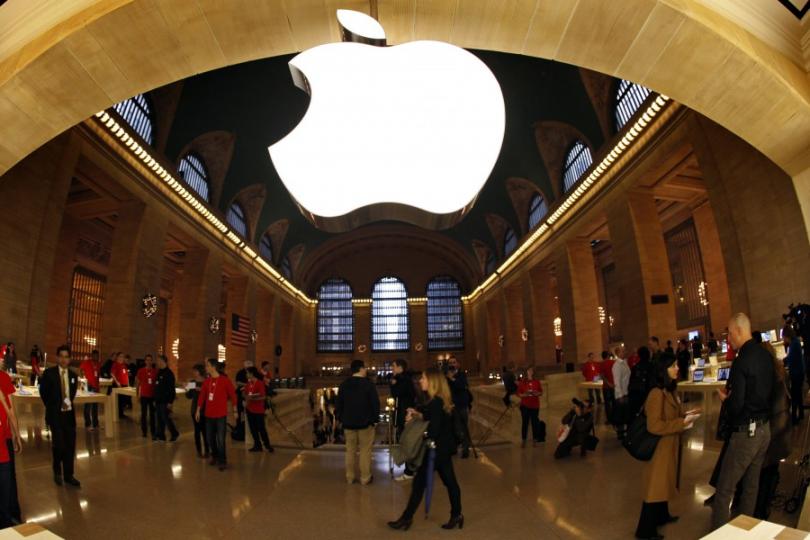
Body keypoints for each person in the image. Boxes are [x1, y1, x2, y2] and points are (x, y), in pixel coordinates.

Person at [711, 313, 775, 530]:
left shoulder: (741, 361)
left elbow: (737, 404)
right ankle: (745, 531)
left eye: (729, 333)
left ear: (738, 331)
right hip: (764, 429)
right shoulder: (766, 356)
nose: (728, 338)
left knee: (724, 489)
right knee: (751, 486)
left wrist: (725, 401)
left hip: (746, 432)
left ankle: (718, 533)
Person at [388, 368, 463, 531]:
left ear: (432, 382)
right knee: (449, 483)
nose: (420, 381)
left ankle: (406, 518)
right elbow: (430, 415)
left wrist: (417, 434)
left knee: (422, 485)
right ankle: (456, 515)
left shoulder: (436, 402)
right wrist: (417, 413)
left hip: (436, 450)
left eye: (423, 378)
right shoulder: (438, 400)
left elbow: (433, 430)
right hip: (442, 449)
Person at [635, 352, 699, 540]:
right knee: (654, 488)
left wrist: (688, 415)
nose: (677, 368)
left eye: (677, 365)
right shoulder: (656, 393)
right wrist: (681, 423)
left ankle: (662, 515)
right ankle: (645, 531)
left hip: (669, 446)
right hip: (659, 449)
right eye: (673, 366)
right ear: (663, 370)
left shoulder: (670, 390)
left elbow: (675, 414)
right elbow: (653, 425)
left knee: (663, 484)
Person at [754, 342, 790, 519]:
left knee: (764, 475)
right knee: (771, 473)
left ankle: (760, 511)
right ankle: (763, 508)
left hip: (771, 435)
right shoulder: (779, 375)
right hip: (778, 435)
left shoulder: (770, 379)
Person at [39, 345, 81, 487]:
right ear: (57, 358)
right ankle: (57, 471)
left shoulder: (74, 376)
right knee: (59, 445)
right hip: (55, 416)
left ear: (70, 359)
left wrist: (66, 405)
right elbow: (43, 393)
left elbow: (72, 394)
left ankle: (69, 475)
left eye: (66, 357)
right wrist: (52, 407)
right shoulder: (49, 373)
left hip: (69, 416)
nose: (64, 359)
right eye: (61, 356)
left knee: (70, 446)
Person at [335, 360, 379, 485]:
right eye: (365, 368)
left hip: (348, 423)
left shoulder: (344, 384)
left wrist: (341, 418)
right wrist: (374, 420)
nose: (366, 370)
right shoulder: (368, 385)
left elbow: (339, 404)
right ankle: (365, 478)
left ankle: (350, 477)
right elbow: (375, 404)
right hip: (365, 424)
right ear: (360, 369)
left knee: (350, 450)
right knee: (365, 451)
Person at [196, 359, 237, 471]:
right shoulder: (206, 381)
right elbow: (202, 396)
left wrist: (235, 410)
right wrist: (198, 409)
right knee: (209, 438)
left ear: (213, 367)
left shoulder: (225, 380)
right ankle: (215, 456)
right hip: (208, 415)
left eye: (208, 366)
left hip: (220, 416)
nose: (206, 368)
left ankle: (222, 461)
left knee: (220, 439)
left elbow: (233, 395)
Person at [0, 364, 22, 523]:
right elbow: (11, 411)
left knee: (8, 479)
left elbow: (10, 410)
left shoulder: (3, 377)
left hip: (4, 436)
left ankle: (11, 513)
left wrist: (15, 434)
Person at [390, 359, 416, 481]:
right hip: (404, 413)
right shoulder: (406, 379)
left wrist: (394, 383)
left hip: (404, 415)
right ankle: (410, 469)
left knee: (406, 443)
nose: (392, 368)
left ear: (400, 368)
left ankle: (409, 471)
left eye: (394, 366)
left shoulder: (403, 380)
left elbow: (395, 393)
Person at [446, 356, 472, 458]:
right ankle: (454, 448)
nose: (452, 364)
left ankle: (465, 449)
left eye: (454, 362)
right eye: (450, 363)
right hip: (451, 405)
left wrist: (452, 378)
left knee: (463, 428)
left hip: (461, 405)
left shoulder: (461, 375)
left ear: (458, 364)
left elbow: (462, 386)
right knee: (453, 428)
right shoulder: (447, 376)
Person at [245, 367, 273, 453]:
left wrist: (253, 398)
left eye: (247, 373)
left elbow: (263, 396)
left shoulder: (260, 383)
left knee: (261, 428)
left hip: (258, 410)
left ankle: (267, 445)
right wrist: (246, 399)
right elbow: (246, 394)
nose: (246, 375)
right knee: (253, 429)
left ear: (252, 374)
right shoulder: (248, 384)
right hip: (250, 409)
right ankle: (257, 445)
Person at [186, 363, 210, 457]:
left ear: (200, 371)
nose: (194, 373)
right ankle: (199, 451)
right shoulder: (192, 382)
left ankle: (207, 450)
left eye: (195, 371)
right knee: (197, 431)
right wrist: (187, 389)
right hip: (195, 409)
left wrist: (202, 390)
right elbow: (188, 396)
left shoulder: (207, 381)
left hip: (205, 409)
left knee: (205, 431)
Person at [517, 365, 543, 447]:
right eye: (529, 370)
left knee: (534, 423)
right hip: (525, 405)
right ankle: (523, 440)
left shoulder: (537, 381)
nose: (530, 372)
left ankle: (535, 440)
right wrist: (525, 394)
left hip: (535, 405)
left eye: (532, 370)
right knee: (525, 423)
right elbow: (519, 394)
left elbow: (541, 392)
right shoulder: (522, 382)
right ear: (526, 372)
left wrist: (536, 393)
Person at [154, 355, 179, 442]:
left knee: (166, 418)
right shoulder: (159, 372)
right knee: (159, 419)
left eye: (159, 361)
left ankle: (174, 433)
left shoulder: (169, 373)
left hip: (165, 400)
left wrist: (170, 402)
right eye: (157, 361)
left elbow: (172, 389)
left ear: (164, 361)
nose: (158, 363)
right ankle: (161, 436)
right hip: (158, 400)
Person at [784, 326, 805, 424]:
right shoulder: (795, 342)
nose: (784, 340)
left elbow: (790, 359)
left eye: (784, 337)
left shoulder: (794, 344)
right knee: (798, 395)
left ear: (788, 335)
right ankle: (801, 414)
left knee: (795, 396)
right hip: (799, 372)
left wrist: (783, 362)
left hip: (796, 373)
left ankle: (794, 419)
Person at [629, 347, 654, 418]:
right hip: (649, 394)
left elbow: (631, 383)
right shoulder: (652, 366)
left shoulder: (635, 367)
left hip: (637, 395)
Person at [136, 355, 157, 439]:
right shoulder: (141, 371)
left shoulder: (155, 371)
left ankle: (153, 432)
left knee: (152, 415)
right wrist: (137, 394)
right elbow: (138, 384)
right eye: (147, 360)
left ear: (152, 361)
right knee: (144, 414)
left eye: (150, 360)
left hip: (152, 396)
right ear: (145, 361)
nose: (149, 362)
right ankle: (144, 432)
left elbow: (156, 384)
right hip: (144, 396)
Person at [612, 345, 631, 440]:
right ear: (617, 353)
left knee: (625, 414)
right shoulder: (617, 365)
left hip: (626, 392)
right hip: (621, 394)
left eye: (625, 350)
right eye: (622, 351)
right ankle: (620, 433)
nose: (625, 352)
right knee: (620, 415)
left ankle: (625, 432)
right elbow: (617, 381)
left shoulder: (625, 363)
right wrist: (620, 395)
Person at [79, 351, 100, 430]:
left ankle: (95, 423)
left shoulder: (98, 363)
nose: (96, 357)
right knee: (87, 405)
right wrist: (83, 379)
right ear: (92, 356)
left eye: (97, 356)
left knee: (95, 406)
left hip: (96, 387)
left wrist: (98, 386)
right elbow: (80, 370)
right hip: (88, 386)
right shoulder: (87, 362)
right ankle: (87, 423)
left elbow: (97, 375)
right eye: (95, 355)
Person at [111, 352, 129, 418]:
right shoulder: (115, 364)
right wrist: (117, 382)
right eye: (120, 356)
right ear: (117, 357)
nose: (122, 358)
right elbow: (112, 374)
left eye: (123, 356)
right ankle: (118, 414)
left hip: (124, 385)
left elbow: (126, 374)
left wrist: (128, 383)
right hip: (118, 385)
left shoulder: (124, 365)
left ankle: (121, 413)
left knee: (123, 400)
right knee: (119, 400)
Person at [601, 351, 616, 425]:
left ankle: (609, 420)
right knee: (614, 402)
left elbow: (602, 376)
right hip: (613, 386)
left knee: (607, 404)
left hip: (606, 387)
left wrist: (608, 383)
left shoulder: (602, 364)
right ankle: (615, 418)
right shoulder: (613, 362)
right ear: (607, 355)